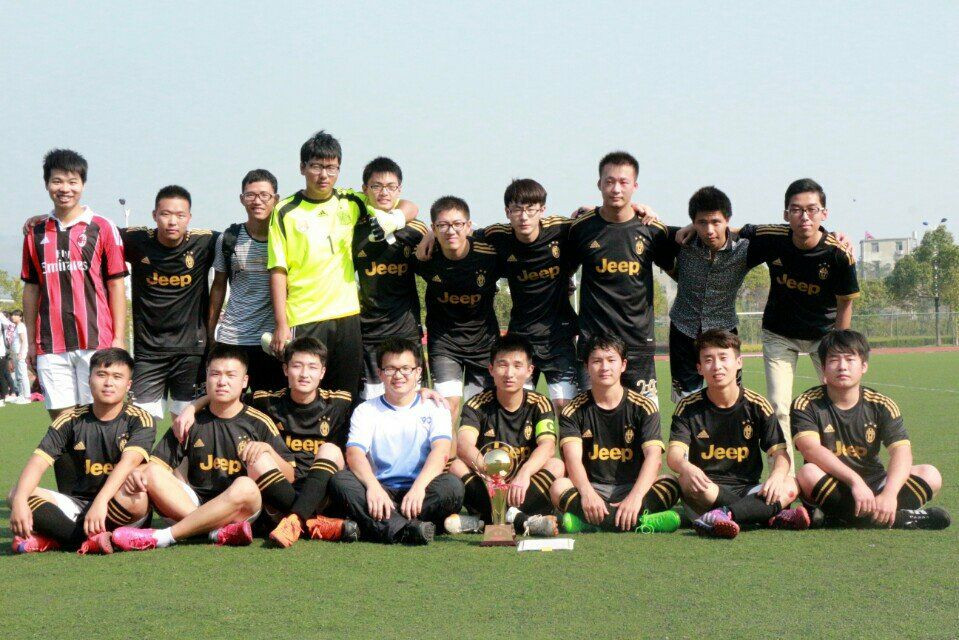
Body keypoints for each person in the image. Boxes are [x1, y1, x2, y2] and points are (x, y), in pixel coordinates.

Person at [267, 130, 418, 399]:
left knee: (346, 394)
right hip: (305, 315)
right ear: (302, 167)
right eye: (316, 166)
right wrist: (281, 323)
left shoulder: (352, 201)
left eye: (332, 168)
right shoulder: (285, 211)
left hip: (347, 315)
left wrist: (395, 219)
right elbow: (278, 270)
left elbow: (407, 205)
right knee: (304, 392)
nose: (324, 175)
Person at [110, 344, 297, 551]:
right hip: (191, 504)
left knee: (246, 486)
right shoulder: (188, 421)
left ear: (244, 381)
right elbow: (156, 466)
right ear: (206, 377)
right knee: (150, 472)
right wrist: (139, 474)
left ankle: (164, 536)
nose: (222, 381)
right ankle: (213, 531)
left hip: (237, 510)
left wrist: (268, 450)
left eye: (230, 375)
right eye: (215, 374)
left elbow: (289, 476)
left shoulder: (258, 422)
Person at [741, 179, 860, 468]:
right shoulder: (773, 237)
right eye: (796, 210)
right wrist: (694, 226)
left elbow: (845, 302)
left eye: (811, 209)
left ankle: (834, 472)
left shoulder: (838, 253)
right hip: (779, 334)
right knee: (779, 406)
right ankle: (785, 477)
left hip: (824, 336)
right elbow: (729, 230)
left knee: (837, 401)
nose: (804, 216)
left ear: (824, 213)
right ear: (786, 214)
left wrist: (838, 347)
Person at [792, 330, 949, 530]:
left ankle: (843, 517)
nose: (842, 366)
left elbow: (901, 452)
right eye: (834, 360)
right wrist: (855, 482)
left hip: (875, 484)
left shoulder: (881, 405)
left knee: (931, 474)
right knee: (807, 473)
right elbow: (811, 450)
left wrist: (889, 494)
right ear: (823, 368)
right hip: (834, 483)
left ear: (864, 366)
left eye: (850, 359)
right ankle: (900, 519)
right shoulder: (806, 403)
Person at [8, 348, 154, 554]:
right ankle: (92, 540)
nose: (108, 382)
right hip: (78, 505)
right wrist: (20, 501)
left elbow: (128, 462)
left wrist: (101, 501)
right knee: (17, 493)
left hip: (118, 502)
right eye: (101, 374)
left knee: (137, 498)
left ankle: (59, 537)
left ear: (128, 384)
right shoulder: (70, 419)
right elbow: (38, 462)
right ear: (89, 379)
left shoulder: (139, 419)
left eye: (117, 377)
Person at [666, 329, 808, 539]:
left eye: (724, 358)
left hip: (749, 490)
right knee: (686, 481)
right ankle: (766, 515)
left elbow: (780, 455)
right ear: (699, 368)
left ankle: (725, 515)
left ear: (739, 362)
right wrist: (686, 466)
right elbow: (674, 456)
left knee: (791, 484)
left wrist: (777, 475)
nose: (717, 366)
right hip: (708, 490)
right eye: (708, 360)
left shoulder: (757, 405)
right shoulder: (687, 407)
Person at [21, 149, 127, 418]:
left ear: (83, 184)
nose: (65, 189)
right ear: (47, 184)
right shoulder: (35, 232)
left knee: (98, 421)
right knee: (62, 425)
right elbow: (31, 288)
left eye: (72, 182)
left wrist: (118, 339)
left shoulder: (102, 227)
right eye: (57, 181)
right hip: (50, 345)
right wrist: (31, 342)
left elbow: (116, 285)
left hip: (96, 341)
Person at [328, 337, 464, 545]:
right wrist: (373, 487)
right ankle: (407, 529)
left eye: (406, 369)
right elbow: (354, 454)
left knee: (453, 486)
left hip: (422, 489)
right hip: (380, 489)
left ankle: (382, 525)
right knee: (340, 481)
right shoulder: (366, 410)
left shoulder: (436, 407)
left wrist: (418, 488)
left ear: (418, 372)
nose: (398, 375)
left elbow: (441, 452)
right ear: (380, 373)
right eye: (390, 369)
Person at [565, 152, 674, 401]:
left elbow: (677, 269)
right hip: (594, 345)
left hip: (638, 344)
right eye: (609, 181)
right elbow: (562, 269)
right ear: (599, 184)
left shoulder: (653, 230)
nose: (616, 189)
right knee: (588, 419)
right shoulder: (580, 228)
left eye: (624, 182)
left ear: (635, 186)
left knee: (645, 417)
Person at [550, 335, 681, 533]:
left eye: (611, 360)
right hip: (592, 488)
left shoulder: (644, 407)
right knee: (558, 487)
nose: (604, 367)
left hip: (633, 487)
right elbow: (572, 459)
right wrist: (587, 493)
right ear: (586, 366)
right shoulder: (573, 410)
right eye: (597, 361)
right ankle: (642, 521)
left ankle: (589, 523)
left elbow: (654, 458)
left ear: (623, 365)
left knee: (670, 483)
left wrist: (635, 497)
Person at [446, 333, 564, 537]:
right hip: (488, 486)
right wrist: (489, 474)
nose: (509, 373)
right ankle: (521, 520)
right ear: (491, 369)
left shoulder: (540, 403)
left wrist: (524, 473)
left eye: (517, 366)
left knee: (556, 465)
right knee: (455, 465)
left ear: (529, 371)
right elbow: (464, 445)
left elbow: (547, 446)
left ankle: (483, 523)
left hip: (523, 487)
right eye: (502, 365)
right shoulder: (476, 404)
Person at [122, 185, 217, 420]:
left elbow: (247, 235)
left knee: (187, 423)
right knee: (139, 423)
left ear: (189, 218)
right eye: (165, 214)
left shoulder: (205, 242)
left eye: (180, 215)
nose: (173, 221)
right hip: (148, 352)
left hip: (191, 352)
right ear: (155, 215)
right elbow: (94, 230)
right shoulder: (136, 240)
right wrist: (45, 219)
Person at [662, 187, 756, 400]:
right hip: (683, 330)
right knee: (686, 400)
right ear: (693, 222)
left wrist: (828, 235)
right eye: (702, 223)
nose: (709, 230)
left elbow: (782, 233)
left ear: (727, 219)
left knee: (730, 399)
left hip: (724, 330)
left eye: (716, 222)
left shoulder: (745, 248)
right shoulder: (680, 241)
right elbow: (633, 224)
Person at [413, 196, 499, 420]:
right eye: (443, 225)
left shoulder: (490, 254)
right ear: (433, 228)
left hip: (483, 345)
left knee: (479, 412)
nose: (451, 231)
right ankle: (446, 447)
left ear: (469, 226)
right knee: (446, 408)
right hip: (445, 344)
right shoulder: (425, 254)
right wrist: (427, 236)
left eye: (457, 224)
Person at [352, 157, 429, 399]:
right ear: (365, 189)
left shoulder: (414, 227)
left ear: (399, 189)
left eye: (390, 186)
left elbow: (433, 251)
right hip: (369, 330)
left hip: (405, 329)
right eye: (376, 186)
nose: (384, 192)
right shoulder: (354, 228)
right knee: (371, 401)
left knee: (413, 399)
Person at [207, 169, 286, 393]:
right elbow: (218, 286)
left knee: (270, 403)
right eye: (250, 195)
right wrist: (211, 332)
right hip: (233, 338)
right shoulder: (228, 239)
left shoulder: (286, 238)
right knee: (226, 401)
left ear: (276, 199)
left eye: (264, 195)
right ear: (242, 199)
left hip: (272, 340)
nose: (257, 201)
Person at [10, 310, 32, 403]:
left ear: (20, 317)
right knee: (18, 375)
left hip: (20, 353)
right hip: (16, 353)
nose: (13, 317)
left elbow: (23, 341)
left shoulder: (21, 326)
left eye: (15, 315)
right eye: (12, 315)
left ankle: (27, 396)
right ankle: (21, 395)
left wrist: (21, 352)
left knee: (22, 374)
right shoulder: (16, 326)